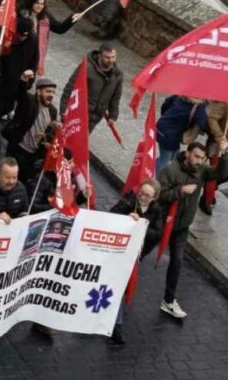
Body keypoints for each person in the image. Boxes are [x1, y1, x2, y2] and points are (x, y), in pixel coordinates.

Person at [158, 141, 228, 319]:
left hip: (182, 227)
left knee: (177, 262)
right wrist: (181, 190)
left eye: (202, 158)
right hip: (161, 223)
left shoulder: (202, 170)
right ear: (187, 153)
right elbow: (160, 194)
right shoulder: (170, 170)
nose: (199, 161)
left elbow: (220, 174)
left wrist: (223, 154)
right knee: (141, 252)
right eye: (196, 156)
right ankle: (123, 283)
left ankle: (168, 300)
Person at [107, 178, 163, 345]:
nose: (143, 197)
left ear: (154, 198)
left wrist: (142, 224)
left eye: (147, 196)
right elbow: (111, 215)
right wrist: (127, 216)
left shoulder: (157, 210)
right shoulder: (129, 200)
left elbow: (157, 234)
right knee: (117, 287)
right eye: (142, 193)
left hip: (135, 257)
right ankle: (117, 326)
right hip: (117, 251)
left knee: (122, 288)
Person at [4, 77, 59, 184]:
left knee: (22, 182)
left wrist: (47, 136)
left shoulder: (53, 111)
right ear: (38, 92)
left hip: (32, 155)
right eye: (48, 91)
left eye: (53, 92)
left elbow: (49, 131)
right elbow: (20, 94)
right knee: (7, 177)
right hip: (18, 149)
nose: (51, 95)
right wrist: (24, 80)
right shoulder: (29, 101)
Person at [60, 44, 123, 132]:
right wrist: (64, 108)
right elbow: (70, 87)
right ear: (100, 55)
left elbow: (115, 98)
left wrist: (113, 116)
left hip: (95, 118)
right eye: (107, 57)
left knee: (81, 140)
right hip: (78, 113)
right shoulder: (86, 67)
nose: (111, 60)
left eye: (113, 57)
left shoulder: (118, 75)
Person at [15, 0, 79, 76]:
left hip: (35, 55)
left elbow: (59, 28)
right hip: (20, 53)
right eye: (37, 3)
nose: (39, 6)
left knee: (29, 78)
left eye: (42, 4)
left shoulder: (45, 17)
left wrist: (72, 19)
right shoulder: (23, 15)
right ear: (32, 3)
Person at [156, 97, 208, 174]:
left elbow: (166, 104)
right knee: (165, 159)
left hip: (162, 127)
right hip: (170, 135)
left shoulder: (179, 97)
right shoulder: (200, 108)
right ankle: (158, 180)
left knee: (172, 156)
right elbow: (202, 124)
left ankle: (152, 166)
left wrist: (168, 117)